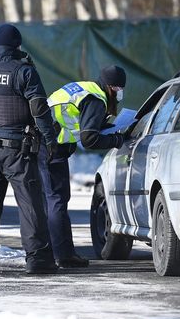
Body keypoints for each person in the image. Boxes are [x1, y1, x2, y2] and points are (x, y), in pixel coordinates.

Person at [0, 24, 59, 274]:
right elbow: (39, 110)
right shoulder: (24, 72)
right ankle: (38, 260)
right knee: (30, 206)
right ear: (17, 45)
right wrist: (50, 140)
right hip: (18, 150)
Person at [41, 65, 127, 268]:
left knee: (49, 201)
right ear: (111, 87)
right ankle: (63, 255)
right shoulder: (96, 99)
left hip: (42, 146)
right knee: (57, 202)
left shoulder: (84, 88)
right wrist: (116, 140)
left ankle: (51, 251)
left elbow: (77, 120)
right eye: (119, 88)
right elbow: (89, 140)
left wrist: (101, 125)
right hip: (51, 150)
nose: (120, 92)